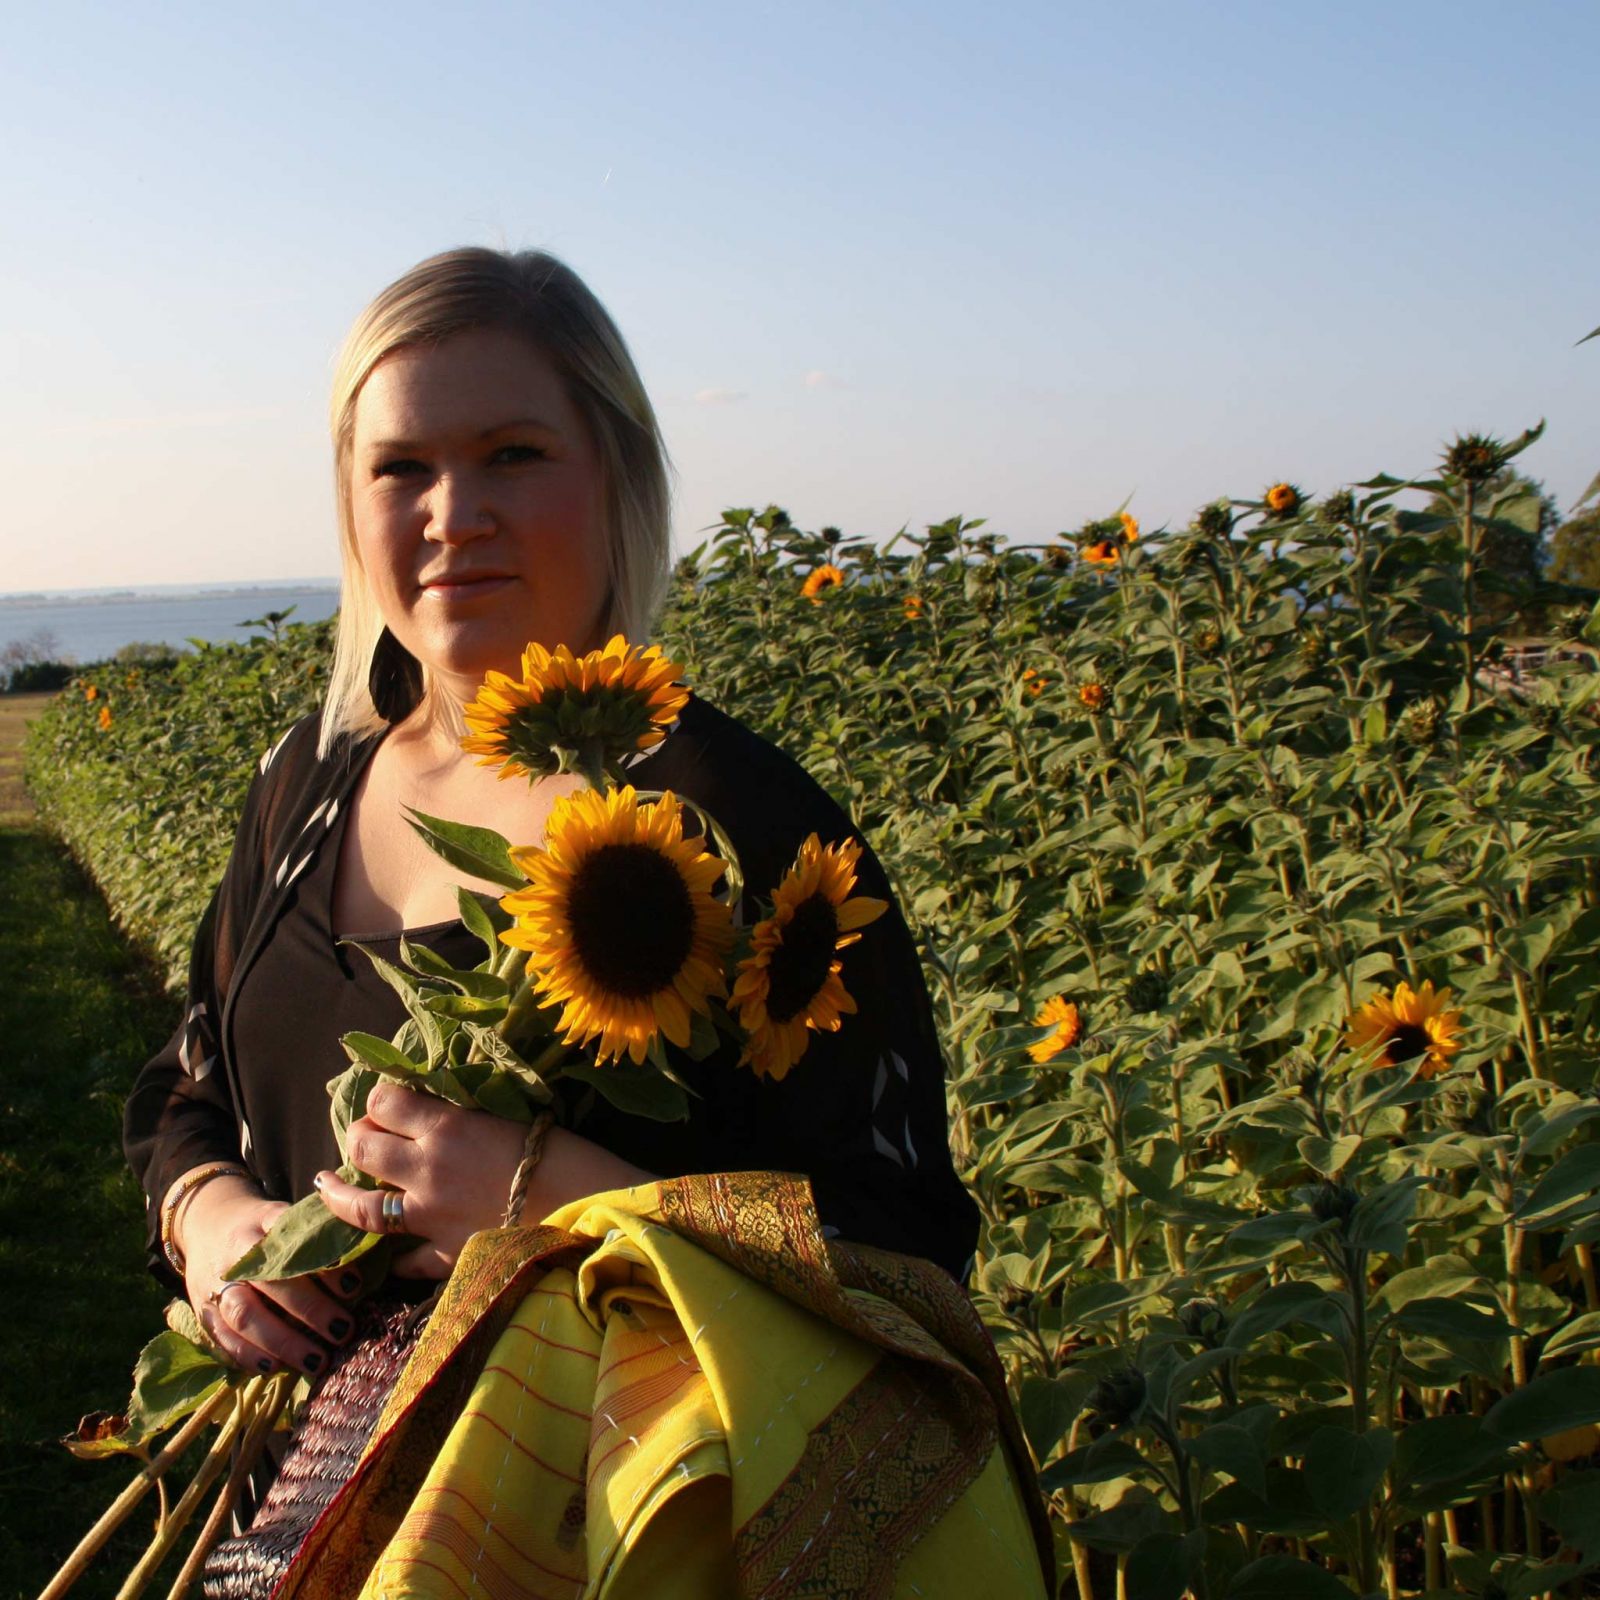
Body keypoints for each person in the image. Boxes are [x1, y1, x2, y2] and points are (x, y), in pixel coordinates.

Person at [122, 247, 1050, 1597]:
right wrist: (217, 1227)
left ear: (614, 475)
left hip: (604, 1545)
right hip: (288, 1536)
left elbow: (899, 1261)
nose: (454, 514)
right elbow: (185, 1084)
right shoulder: (309, 786)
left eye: (511, 455)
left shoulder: (737, 832)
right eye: (400, 468)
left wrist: (543, 1195)